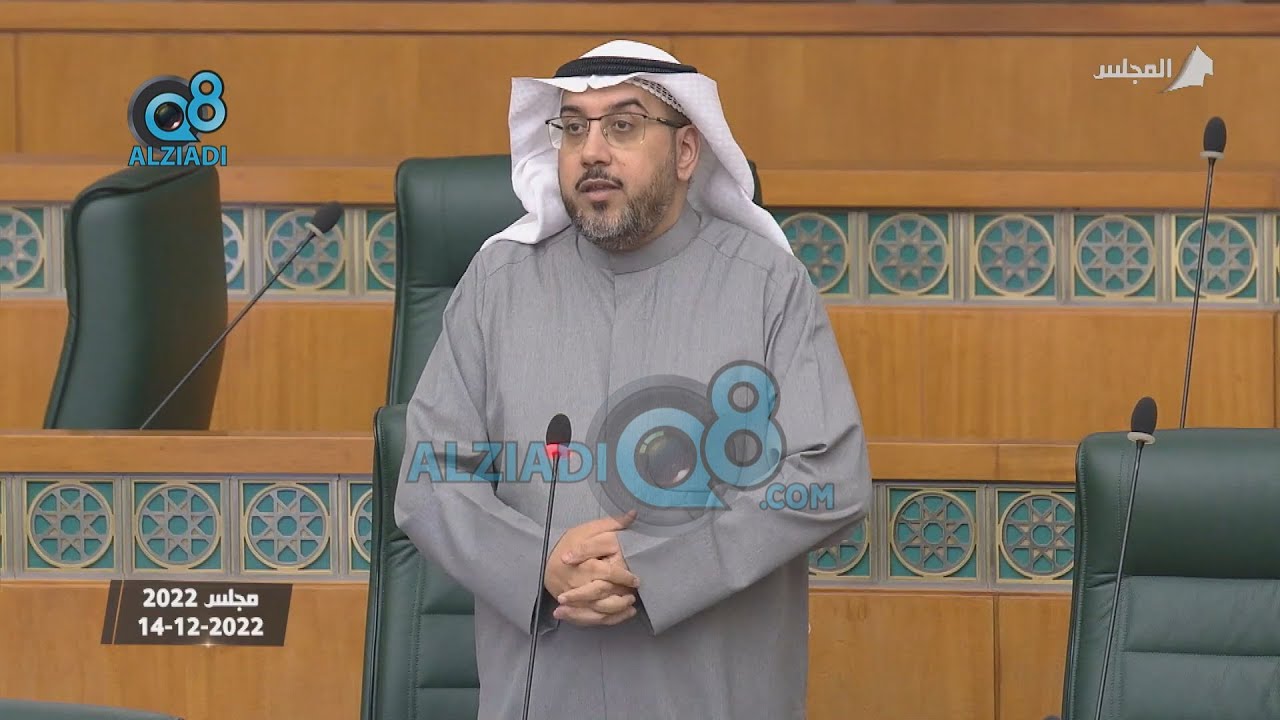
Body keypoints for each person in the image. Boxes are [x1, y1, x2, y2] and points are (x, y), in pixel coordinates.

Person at [394, 39, 873, 720]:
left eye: (622, 125)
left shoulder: (768, 286)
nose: (592, 151)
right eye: (573, 128)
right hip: (543, 694)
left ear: (686, 152)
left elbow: (831, 475)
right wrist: (540, 564)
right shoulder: (497, 285)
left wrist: (660, 570)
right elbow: (429, 478)